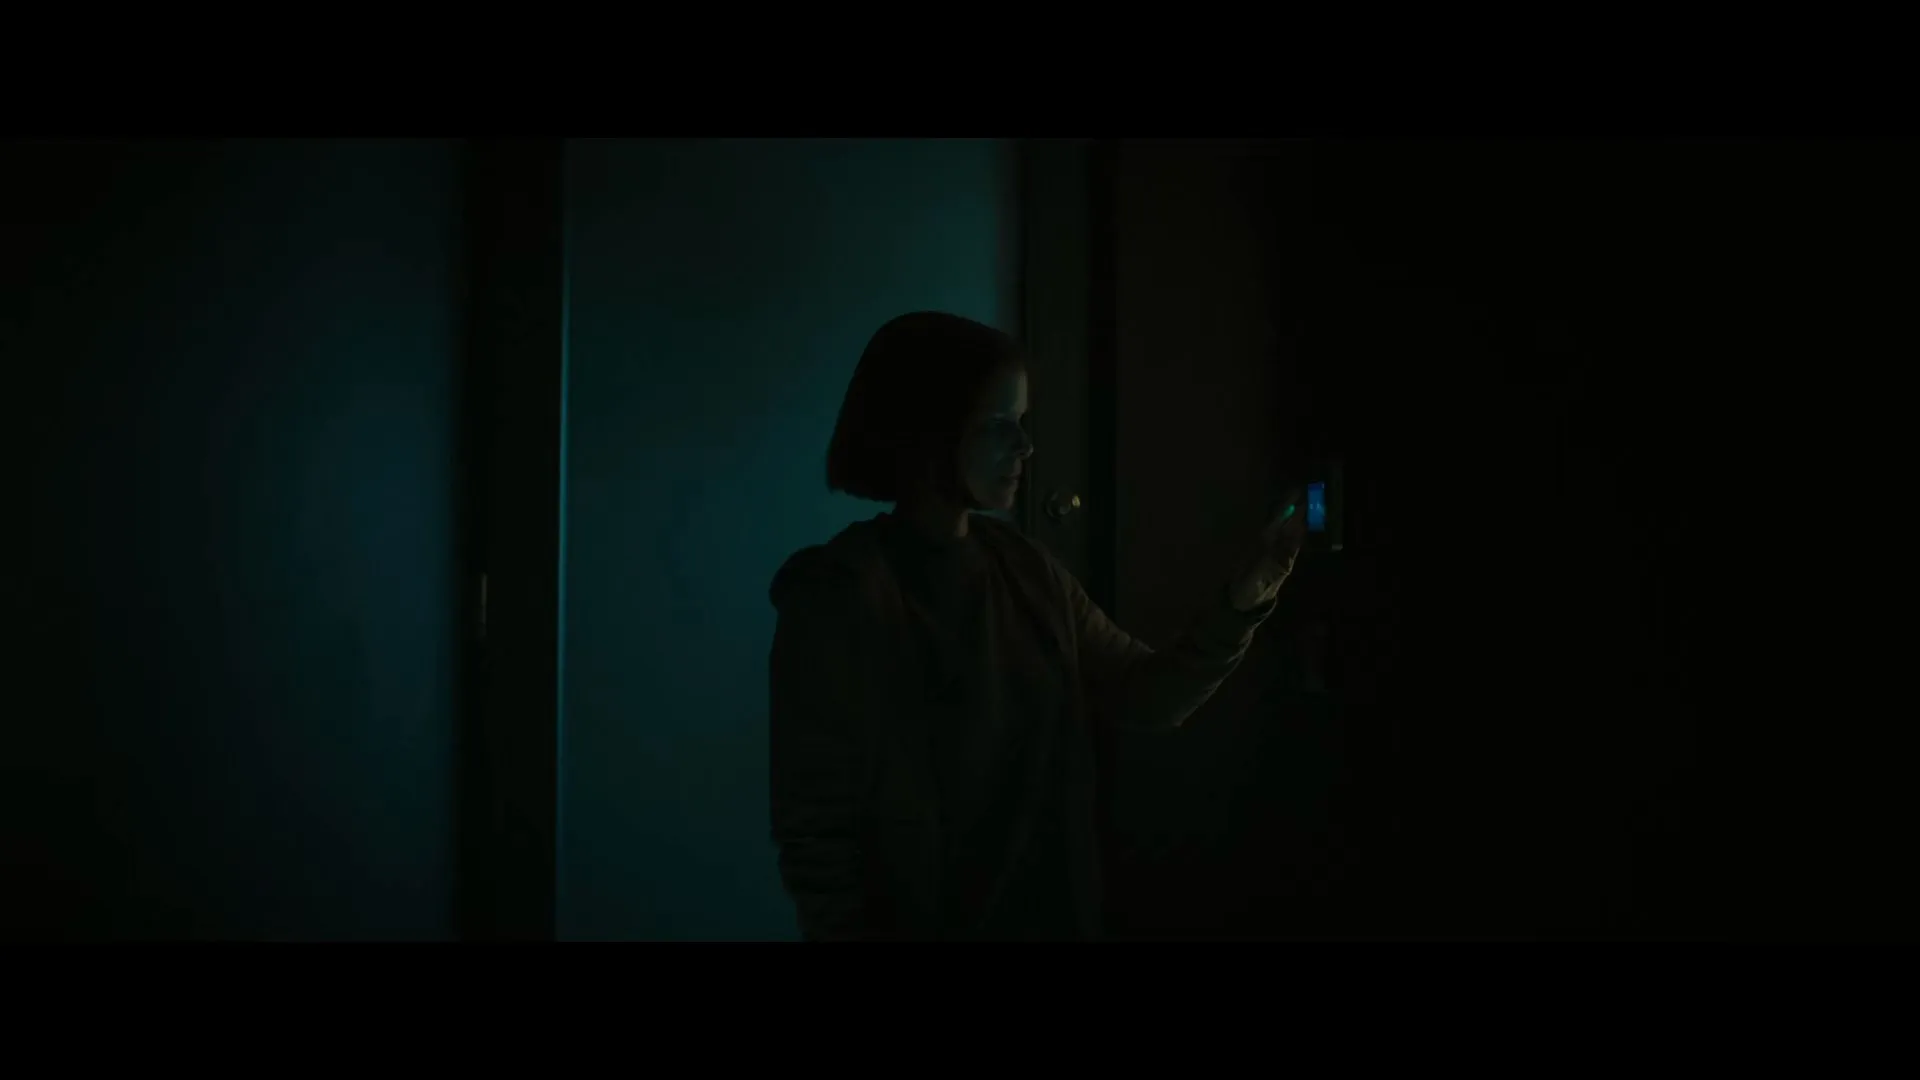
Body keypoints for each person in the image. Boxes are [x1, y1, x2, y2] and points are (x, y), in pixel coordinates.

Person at [768, 311, 1304, 941]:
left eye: (1021, 423)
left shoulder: (1025, 568)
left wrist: (1244, 599)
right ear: (928, 431)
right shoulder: (839, 594)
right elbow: (817, 833)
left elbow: (1148, 695)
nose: (1025, 447)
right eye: (1000, 425)